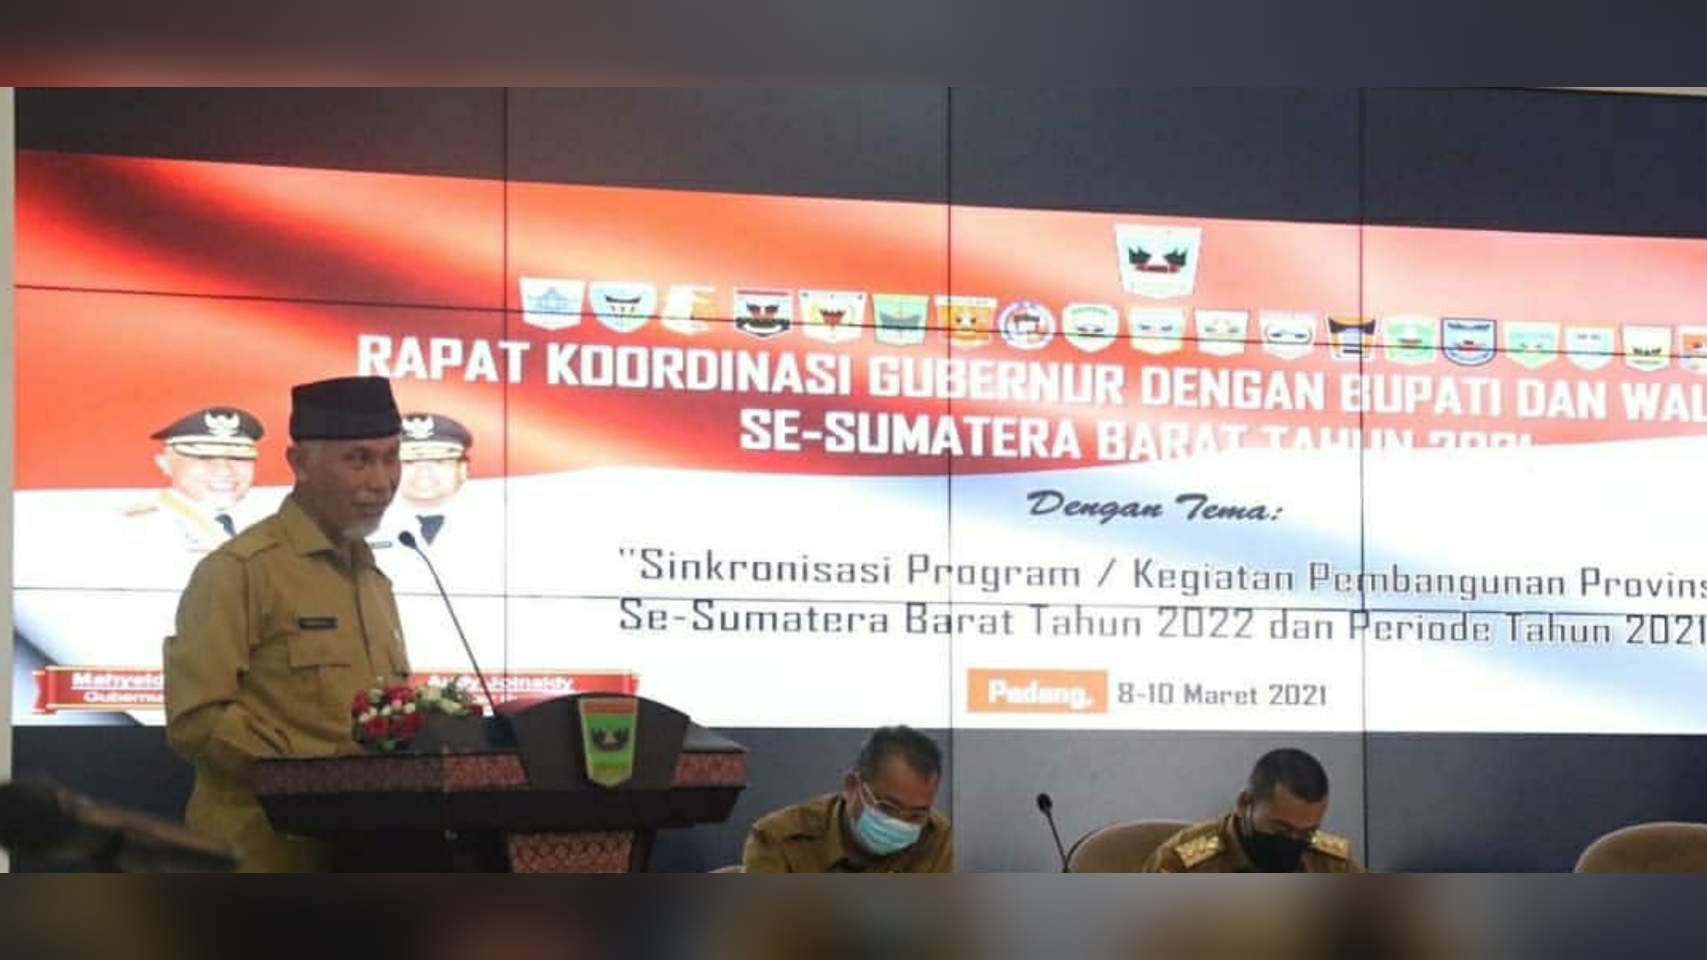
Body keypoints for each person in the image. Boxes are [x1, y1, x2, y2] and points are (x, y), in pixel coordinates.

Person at [163, 376, 413, 872]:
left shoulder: (373, 578)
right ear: (300, 464)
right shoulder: (239, 571)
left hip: (363, 857)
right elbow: (197, 720)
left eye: (391, 458)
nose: (382, 482)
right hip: (260, 860)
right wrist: (312, 781)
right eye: (359, 459)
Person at [741, 725, 953, 873]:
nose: (901, 823)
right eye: (889, 807)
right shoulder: (778, 839)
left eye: (916, 815)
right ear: (852, 787)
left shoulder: (935, 836)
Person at [1140, 748, 1363, 873]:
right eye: (1281, 830)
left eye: (1307, 833)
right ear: (1244, 804)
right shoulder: (1185, 862)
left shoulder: (1333, 863)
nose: (1292, 842)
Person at [123, 406, 265, 551]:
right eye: (204, 458)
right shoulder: (134, 532)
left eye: (238, 458)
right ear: (165, 464)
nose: (224, 470)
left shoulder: (265, 520)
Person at [394, 411, 473, 547]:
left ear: (462, 468)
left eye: (438, 461)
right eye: (409, 462)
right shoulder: (361, 522)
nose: (423, 472)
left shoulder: (502, 515)